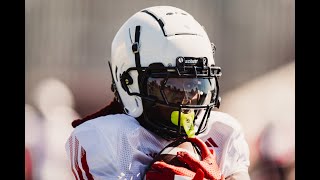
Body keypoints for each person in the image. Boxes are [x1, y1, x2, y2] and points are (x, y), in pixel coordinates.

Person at [65, 5, 250, 180]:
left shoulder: (222, 132)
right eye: (173, 87)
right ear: (129, 83)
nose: (187, 99)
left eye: (196, 85)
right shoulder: (109, 138)